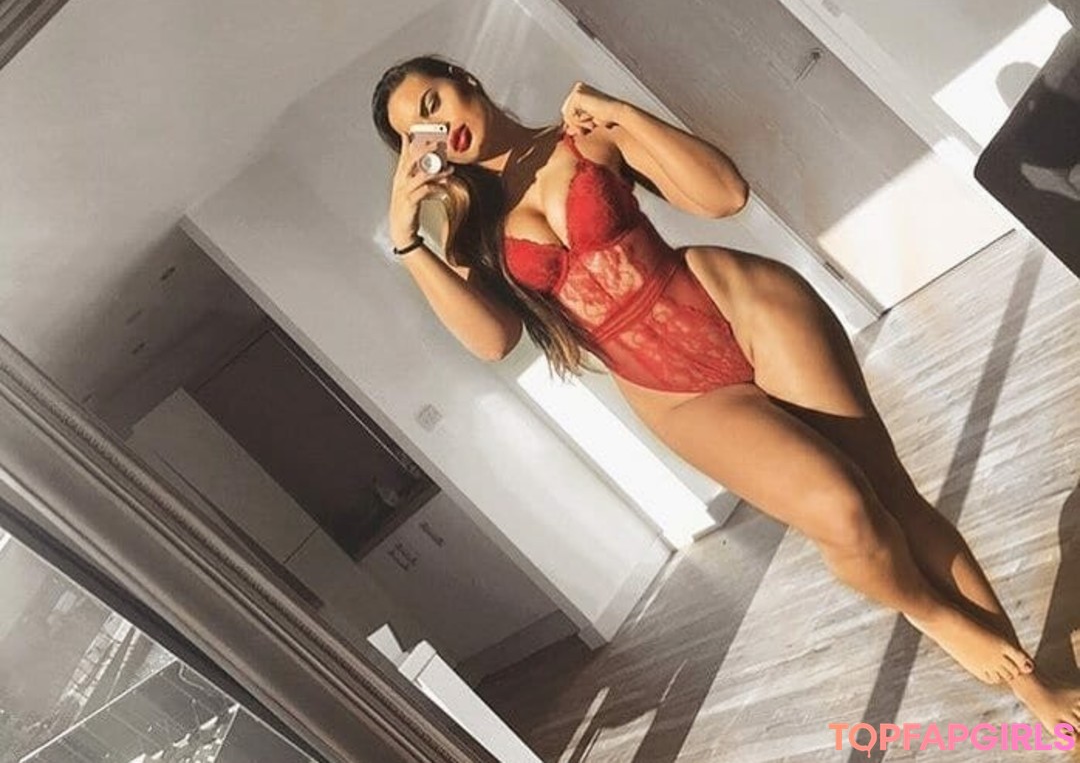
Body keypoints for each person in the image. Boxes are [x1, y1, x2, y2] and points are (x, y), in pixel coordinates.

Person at [371, 54, 1080, 736]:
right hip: (672, 390)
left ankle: (1033, 684)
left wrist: (622, 114)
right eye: (417, 132)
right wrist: (408, 241)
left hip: (741, 303)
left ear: (463, 80)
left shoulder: (583, 135)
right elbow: (494, 341)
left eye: (433, 103)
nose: (440, 128)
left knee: (892, 491)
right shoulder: (471, 235)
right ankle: (934, 613)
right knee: (844, 510)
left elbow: (724, 196)